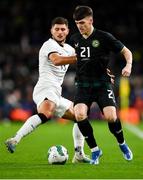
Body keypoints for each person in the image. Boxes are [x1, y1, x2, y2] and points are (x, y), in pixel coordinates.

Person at [5, 17, 90, 163]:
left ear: (68, 31)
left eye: (63, 29)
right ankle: (15, 139)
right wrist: (79, 58)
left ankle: (79, 154)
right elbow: (57, 60)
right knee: (46, 113)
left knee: (80, 116)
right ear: (51, 31)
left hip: (56, 93)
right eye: (56, 29)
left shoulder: (69, 49)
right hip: (45, 88)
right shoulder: (48, 45)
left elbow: (85, 61)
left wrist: (101, 70)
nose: (60, 32)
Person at [69, 5, 133, 165]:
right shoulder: (75, 39)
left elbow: (126, 52)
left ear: (91, 20)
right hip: (83, 85)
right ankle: (95, 150)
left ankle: (122, 143)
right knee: (79, 115)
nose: (80, 26)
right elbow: (74, 58)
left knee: (111, 116)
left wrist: (128, 65)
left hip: (102, 84)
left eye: (82, 22)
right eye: (77, 23)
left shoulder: (104, 37)